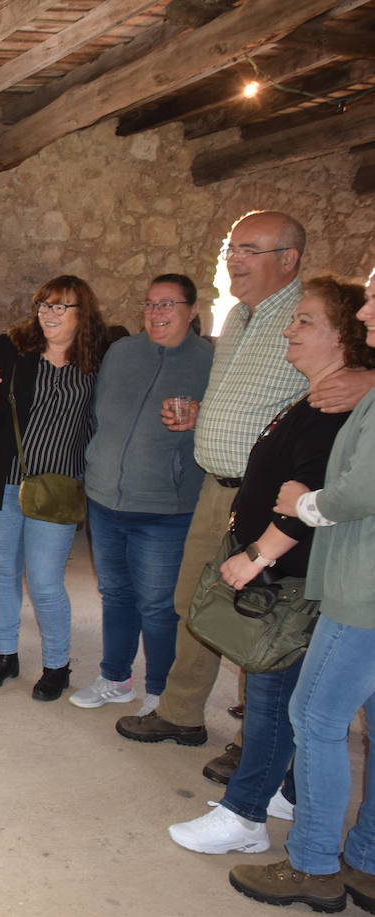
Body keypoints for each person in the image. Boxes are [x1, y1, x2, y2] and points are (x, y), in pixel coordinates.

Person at [115, 212, 375, 786]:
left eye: (249, 249)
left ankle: (255, 744)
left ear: (289, 259)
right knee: (197, 602)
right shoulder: (237, 316)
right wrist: (206, 419)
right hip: (219, 486)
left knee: (262, 618)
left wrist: (370, 380)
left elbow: (359, 348)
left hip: (275, 498)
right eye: (233, 247)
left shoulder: (313, 312)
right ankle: (181, 714)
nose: (233, 258)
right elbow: (245, 396)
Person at [167, 276, 373, 859]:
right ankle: (286, 791)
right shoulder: (321, 395)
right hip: (289, 572)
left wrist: (258, 556)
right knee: (281, 697)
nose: (291, 328)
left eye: (305, 320)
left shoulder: (336, 406)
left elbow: (317, 492)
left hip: (291, 578)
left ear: (345, 338)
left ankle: (244, 815)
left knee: (273, 696)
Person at [229, 271, 375, 911]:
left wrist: (306, 505)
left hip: (361, 587)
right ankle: (366, 861)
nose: (368, 306)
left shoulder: (352, 397)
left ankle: (314, 864)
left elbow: (357, 490)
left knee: (314, 718)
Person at [0, 275, 112, 701]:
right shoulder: (13, 347)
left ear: (82, 314)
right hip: (3, 482)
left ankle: (57, 664)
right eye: (43, 305)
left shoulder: (99, 358)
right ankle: (5, 654)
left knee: (45, 581)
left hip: (58, 488)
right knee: (3, 573)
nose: (48, 314)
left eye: (59, 307)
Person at [72, 274, 213, 713]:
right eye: (150, 304)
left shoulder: (211, 360)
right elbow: (99, 412)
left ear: (191, 311)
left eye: (168, 304)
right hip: (105, 498)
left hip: (164, 507)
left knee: (157, 604)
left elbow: (229, 424)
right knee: (115, 595)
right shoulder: (122, 352)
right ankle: (116, 678)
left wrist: (201, 415)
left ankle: (159, 690)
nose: (156, 313)